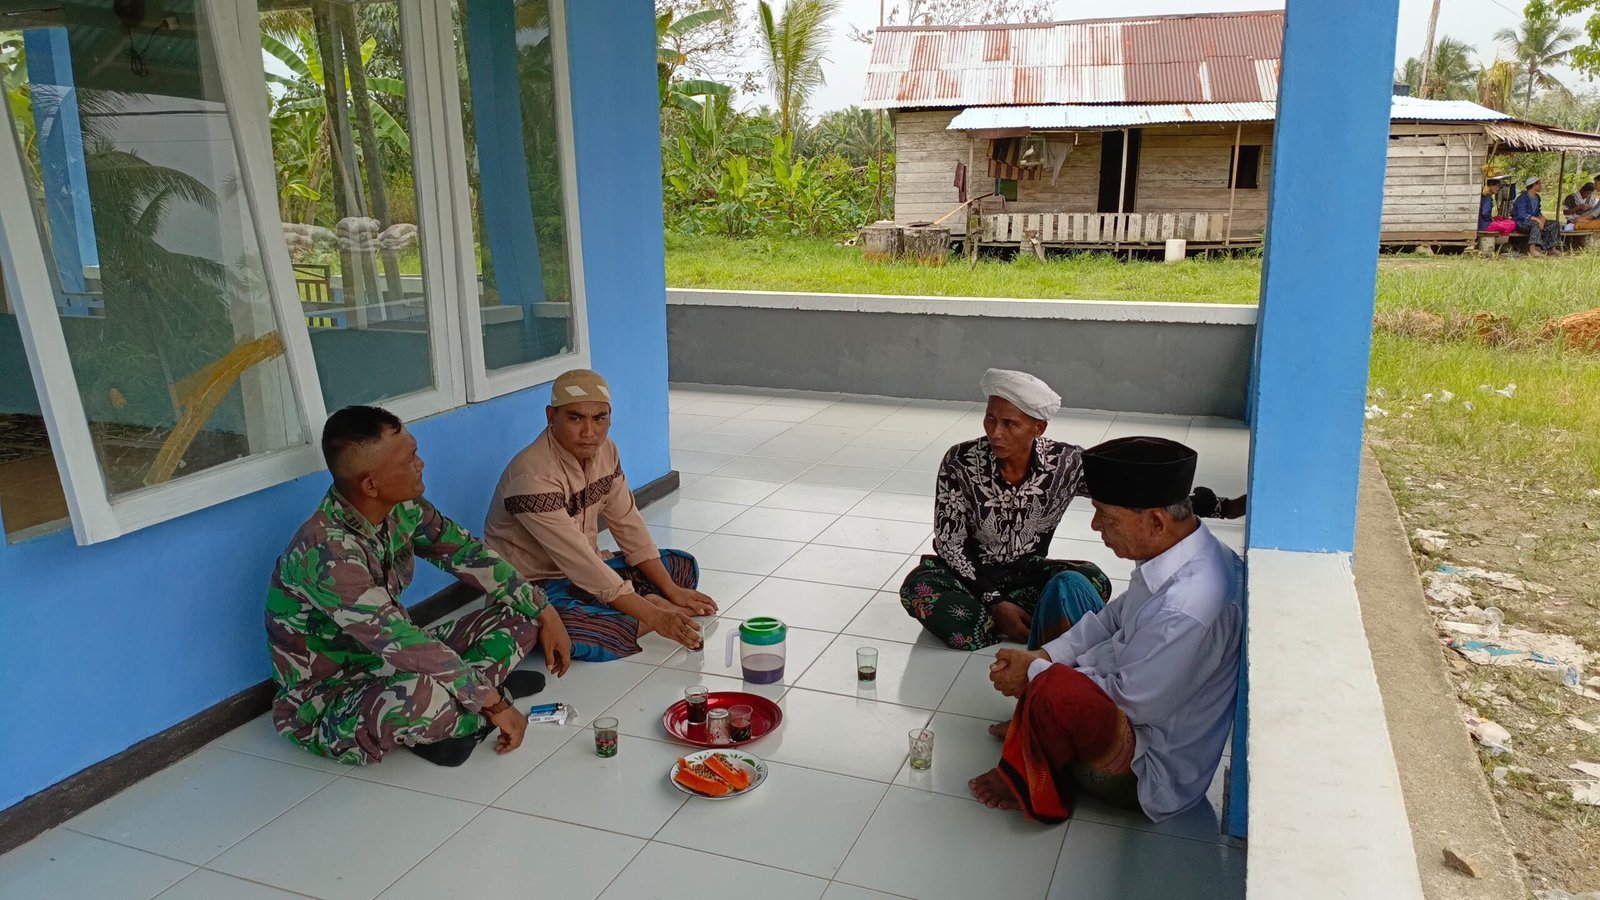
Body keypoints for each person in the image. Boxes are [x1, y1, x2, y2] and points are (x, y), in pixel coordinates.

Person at [267, 406, 572, 769]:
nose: (421, 464)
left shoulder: (402, 508)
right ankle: (474, 710)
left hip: (392, 661)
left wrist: (545, 610)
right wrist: (494, 703)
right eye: (409, 459)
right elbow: (400, 640)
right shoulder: (325, 553)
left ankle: (460, 714)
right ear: (370, 485)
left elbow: (468, 554)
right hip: (330, 698)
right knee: (423, 699)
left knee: (522, 615)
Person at [969, 436, 1243, 825]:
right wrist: (1041, 656)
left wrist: (1034, 674)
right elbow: (1113, 619)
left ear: (1155, 521)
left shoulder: (1189, 606)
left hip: (1145, 763)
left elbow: (1131, 702)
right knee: (1067, 587)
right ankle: (1034, 720)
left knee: (1054, 687)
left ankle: (1027, 766)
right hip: (1127, 686)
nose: (1096, 525)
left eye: (1106, 516)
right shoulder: (1181, 550)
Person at [485, 369, 716, 662]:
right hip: (535, 588)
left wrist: (671, 590)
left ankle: (636, 607)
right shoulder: (532, 476)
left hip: (590, 568)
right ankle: (640, 611)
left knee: (681, 565)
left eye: (599, 418)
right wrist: (656, 617)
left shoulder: (607, 451)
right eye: (575, 418)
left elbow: (628, 523)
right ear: (551, 416)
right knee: (567, 630)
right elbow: (579, 561)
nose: (589, 432)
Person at [899, 369, 1113, 651]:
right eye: (990, 418)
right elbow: (950, 543)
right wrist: (995, 601)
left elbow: (1115, 488)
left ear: (1038, 428)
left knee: (1093, 581)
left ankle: (996, 623)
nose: (995, 432)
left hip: (1027, 576)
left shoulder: (1066, 463)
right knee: (918, 589)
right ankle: (1029, 620)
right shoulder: (960, 461)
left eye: (1010, 424)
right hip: (969, 578)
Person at [1513, 176, 1561, 255]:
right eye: (1539, 184)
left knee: (1554, 223)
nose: (1541, 186)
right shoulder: (1522, 198)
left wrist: (1542, 218)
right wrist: (1536, 219)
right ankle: (1532, 249)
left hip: (1533, 221)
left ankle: (1552, 248)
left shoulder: (1537, 197)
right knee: (1535, 224)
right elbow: (1521, 214)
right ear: (1534, 185)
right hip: (1521, 223)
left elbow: (1538, 212)